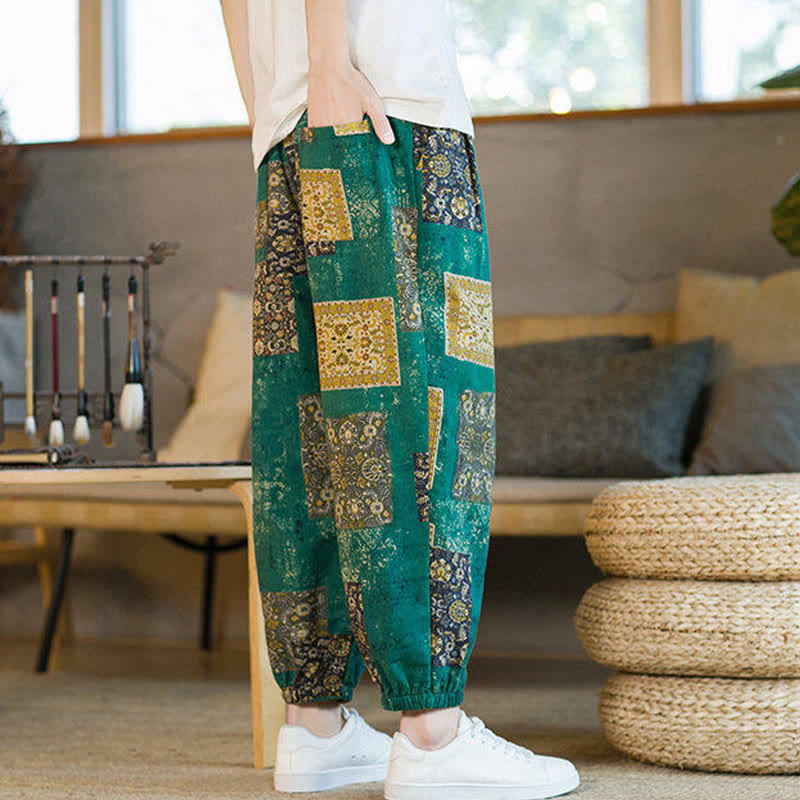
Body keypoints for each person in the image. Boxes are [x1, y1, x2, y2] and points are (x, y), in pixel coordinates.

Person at [220, 1, 580, 798]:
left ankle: (315, 722)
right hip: (389, 103)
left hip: (292, 123)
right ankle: (432, 731)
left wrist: (270, 101)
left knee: (315, 427)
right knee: (427, 417)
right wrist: (328, 62)